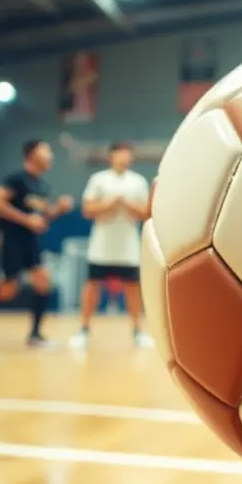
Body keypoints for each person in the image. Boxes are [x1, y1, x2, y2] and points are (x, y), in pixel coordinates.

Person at [0, 140, 73, 346]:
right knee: (8, 290)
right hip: (11, 238)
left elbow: (41, 218)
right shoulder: (16, 179)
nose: (50, 155)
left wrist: (59, 210)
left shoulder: (42, 186)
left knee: (43, 282)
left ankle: (35, 335)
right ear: (31, 154)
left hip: (31, 240)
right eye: (46, 150)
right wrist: (27, 220)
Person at [69, 142, 153, 349]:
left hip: (128, 246)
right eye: (120, 154)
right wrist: (108, 204)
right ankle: (84, 330)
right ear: (111, 156)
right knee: (92, 285)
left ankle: (137, 331)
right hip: (102, 245)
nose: (124, 157)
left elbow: (145, 213)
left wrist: (125, 204)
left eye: (127, 154)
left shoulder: (138, 181)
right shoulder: (98, 180)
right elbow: (87, 209)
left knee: (133, 287)